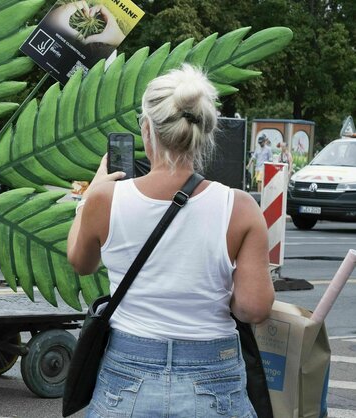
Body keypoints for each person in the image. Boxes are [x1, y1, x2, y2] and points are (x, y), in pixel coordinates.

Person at [66, 65, 274, 417]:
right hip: (214, 376)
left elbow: (80, 262)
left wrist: (89, 197)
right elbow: (253, 309)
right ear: (205, 133)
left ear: (147, 128)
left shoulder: (106, 200)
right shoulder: (239, 208)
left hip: (126, 376)